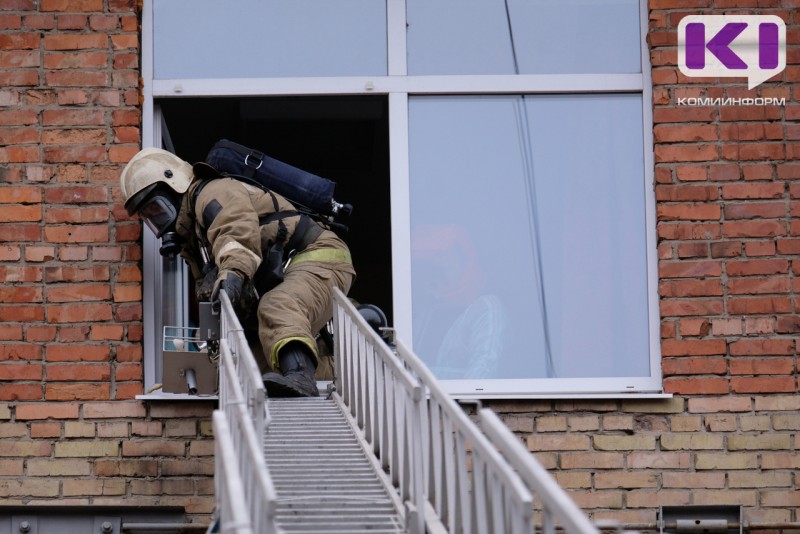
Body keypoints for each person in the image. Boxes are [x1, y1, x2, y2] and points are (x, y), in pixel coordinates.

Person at [119, 147, 356, 397]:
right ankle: (335, 371)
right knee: (248, 364)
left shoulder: (214, 192)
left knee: (277, 305)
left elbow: (236, 232)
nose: (158, 221)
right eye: (149, 217)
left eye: (158, 208)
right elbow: (209, 299)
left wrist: (231, 273)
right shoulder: (195, 245)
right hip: (288, 271)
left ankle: (300, 375)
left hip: (319, 255)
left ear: (173, 183)